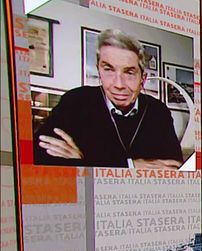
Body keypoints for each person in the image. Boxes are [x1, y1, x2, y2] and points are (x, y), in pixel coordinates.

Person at [33, 28, 182, 169]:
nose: (119, 85)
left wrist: (83, 161)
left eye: (129, 72)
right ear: (99, 71)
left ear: (142, 79)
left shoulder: (158, 111)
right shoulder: (75, 101)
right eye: (109, 70)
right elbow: (39, 156)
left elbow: (173, 167)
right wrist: (130, 165)